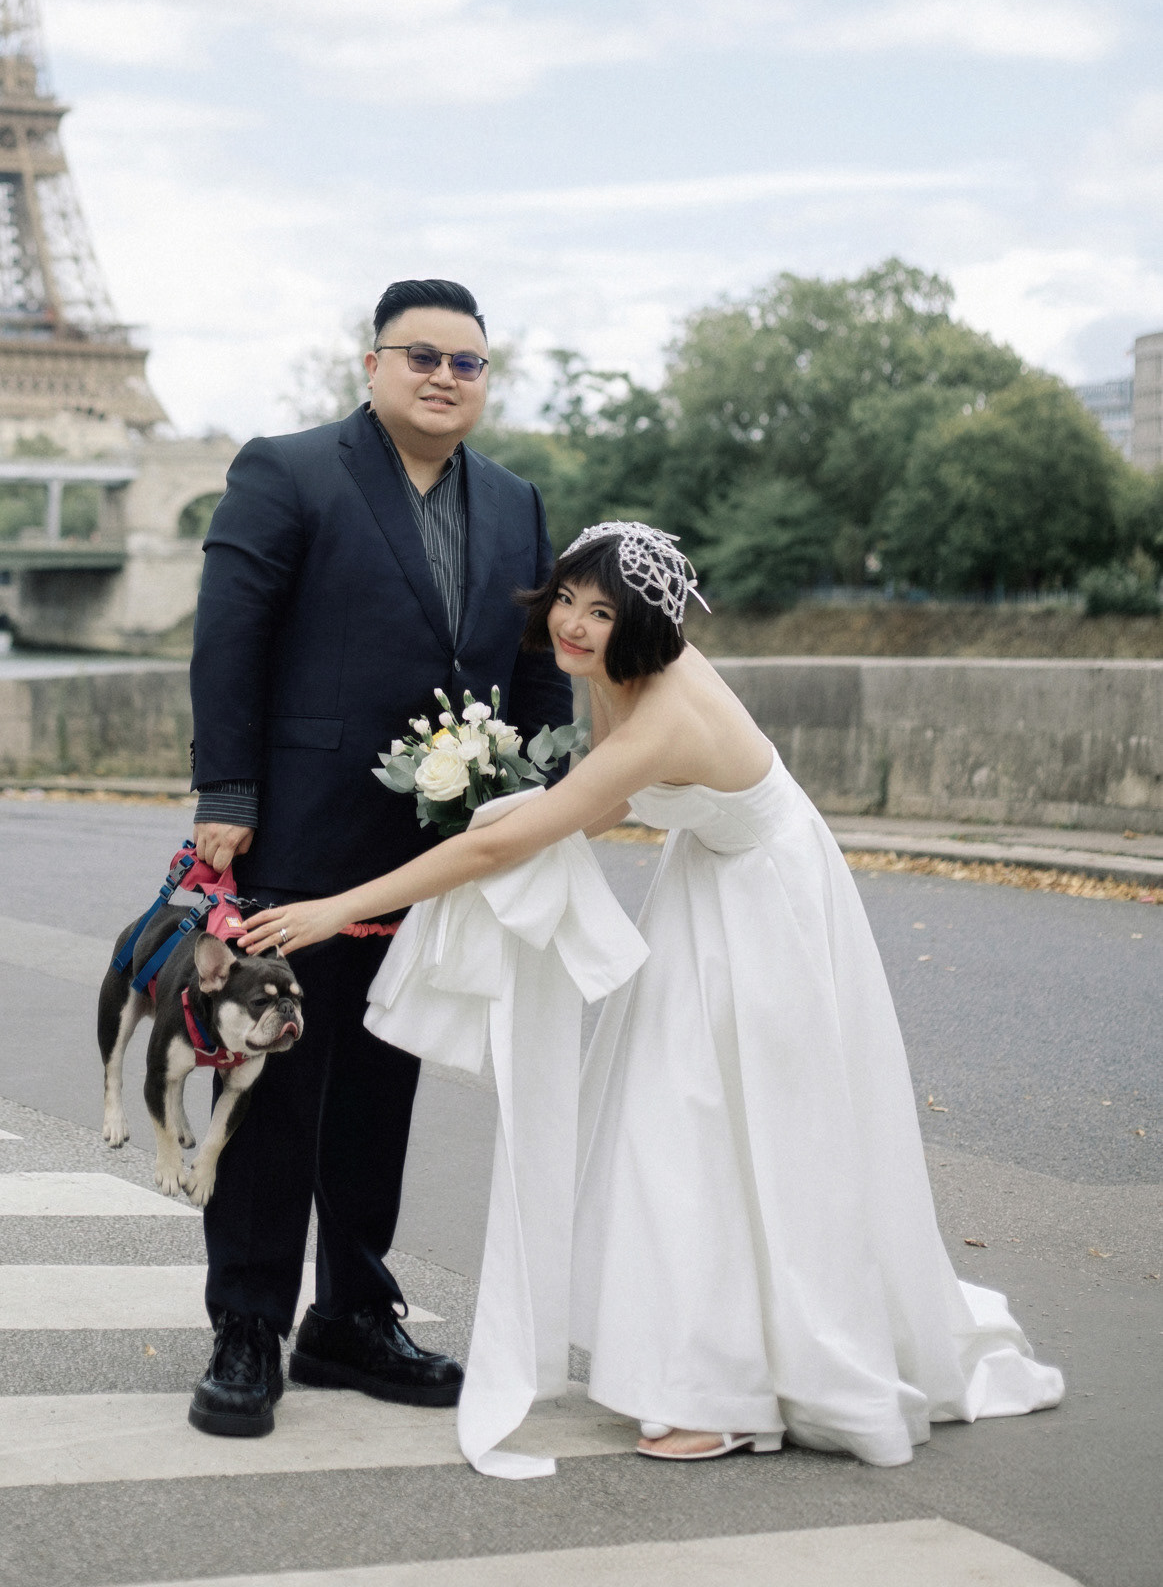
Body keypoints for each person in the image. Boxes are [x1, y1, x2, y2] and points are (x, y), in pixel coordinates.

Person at [241, 520, 1064, 1468]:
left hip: (767, 905)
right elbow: (604, 808)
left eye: (602, 613)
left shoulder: (667, 706)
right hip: (706, 882)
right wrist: (510, 824)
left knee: (738, 1133)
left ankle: (735, 1388)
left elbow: (535, 830)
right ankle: (713, 1365)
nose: (574, 626)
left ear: (644, 623)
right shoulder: (612, 676)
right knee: (671, 1124)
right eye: (566, 600)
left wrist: (339, 907)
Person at [185, 277, 573, 1438]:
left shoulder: (515, 502)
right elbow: (230, 636)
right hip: (299, 836)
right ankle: (247, 1325)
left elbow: (536, 662)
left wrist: (536, 794)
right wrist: (227, 791)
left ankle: (350, 1313)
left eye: (468, 361)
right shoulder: (289, 470)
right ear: (373, 365)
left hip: (435, 852)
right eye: (422, 355)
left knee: (379, 1087)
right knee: (269, 1084)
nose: (446, 376)